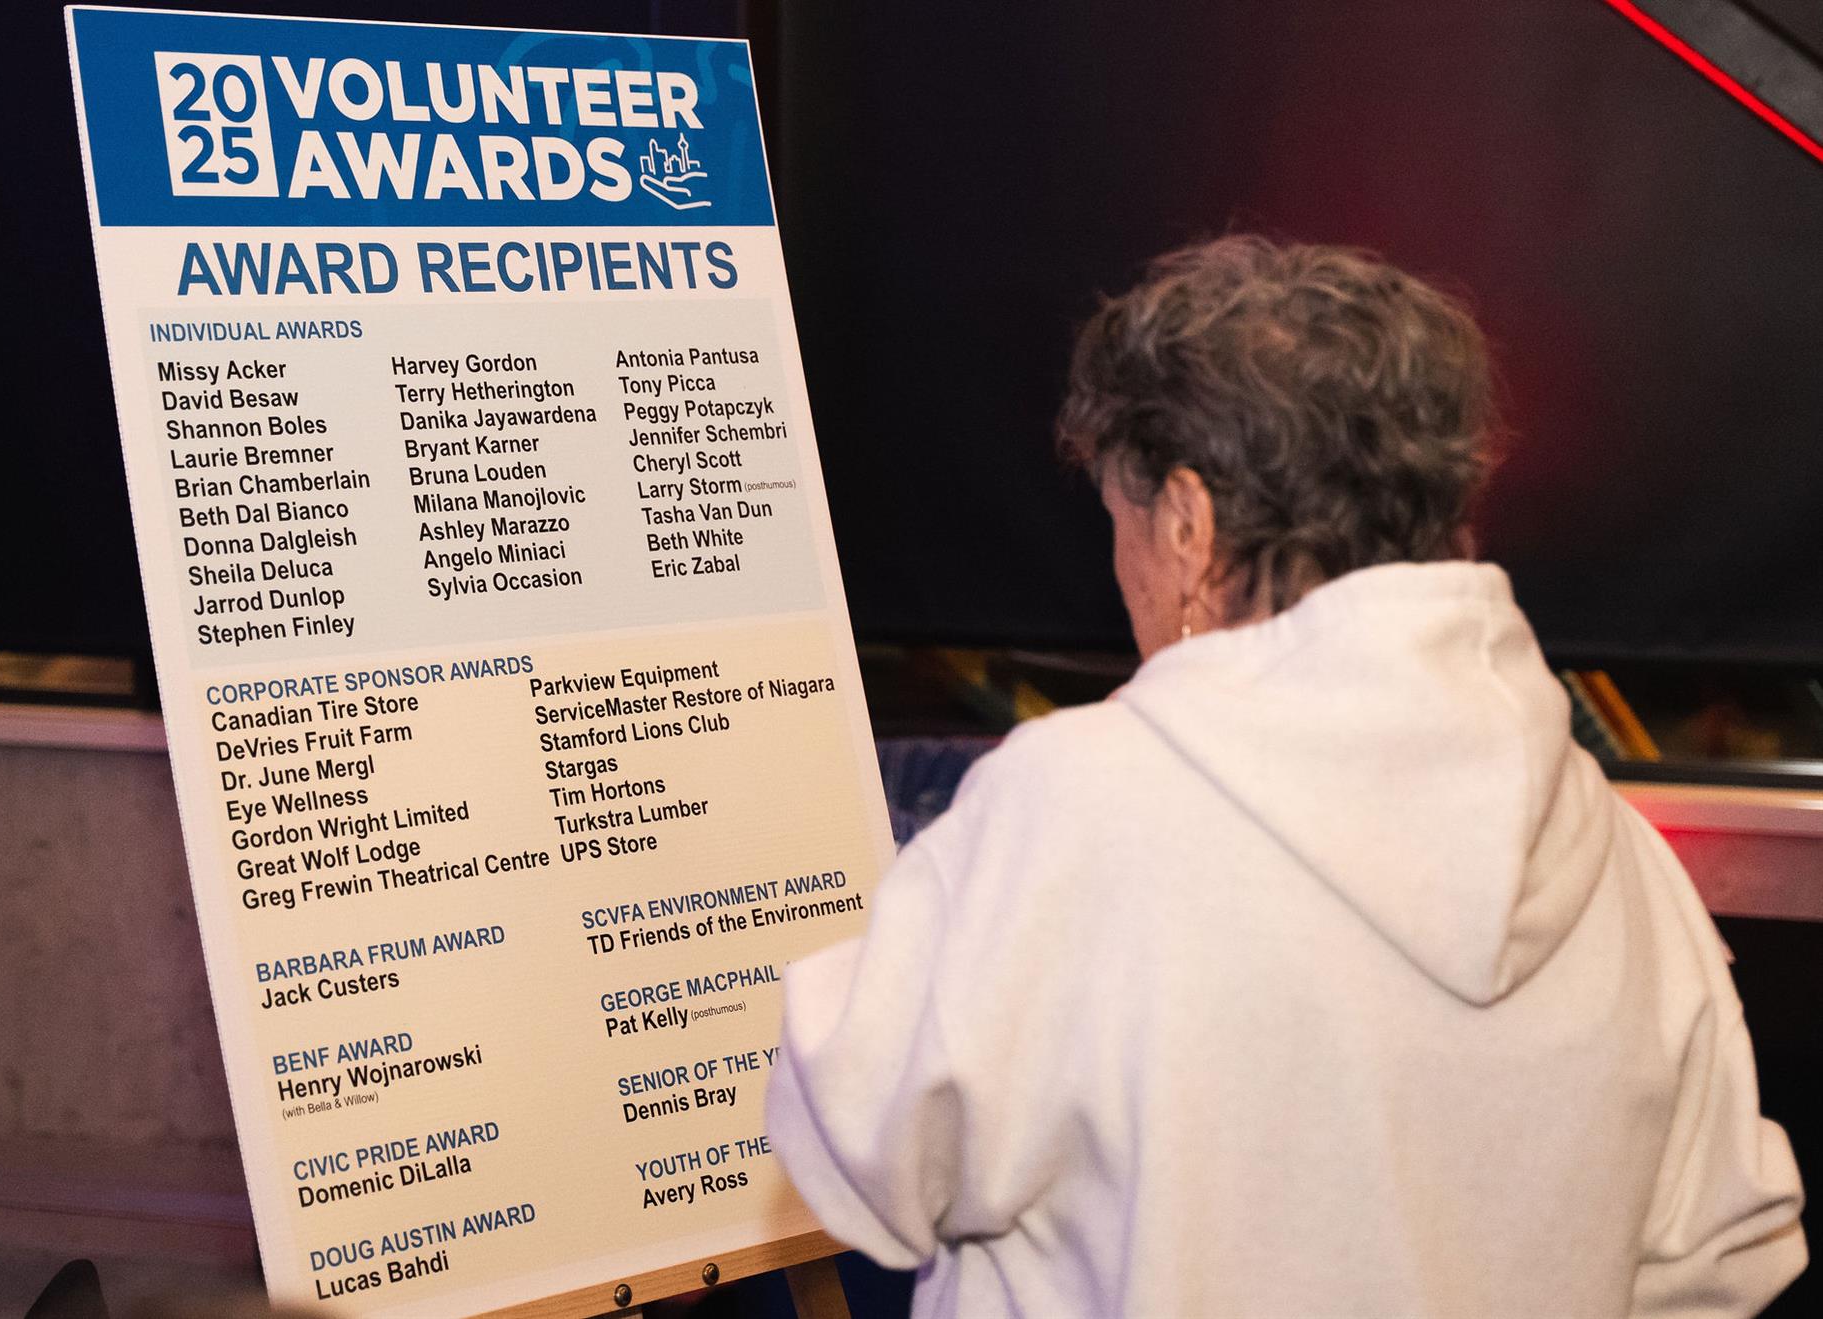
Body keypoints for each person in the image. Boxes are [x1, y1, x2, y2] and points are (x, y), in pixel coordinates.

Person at [765, 236, 1805, 1317]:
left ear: (1188, 523)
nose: (1121, 571)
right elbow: (1721, 1260)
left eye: (1119, 523)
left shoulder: (1079, 806)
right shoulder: (1621, 857)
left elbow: (855, 1142)